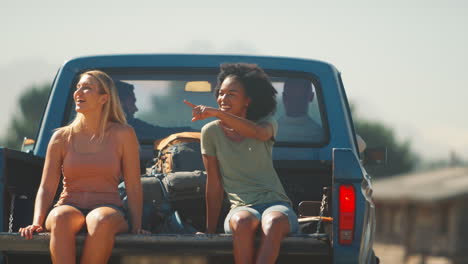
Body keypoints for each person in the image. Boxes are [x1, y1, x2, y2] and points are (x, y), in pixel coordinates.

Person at [19, 70, 149, 264]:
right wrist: (37, 222)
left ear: (104, 98)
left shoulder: (124, 134)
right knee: (61, 218)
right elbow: (47, 186)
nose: (78, 93)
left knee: (101, 221)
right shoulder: (60, 137)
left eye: (87, 88)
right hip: (68, 205)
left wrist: (137, 226)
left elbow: (133, 184)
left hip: (109, 207)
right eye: (78, 87)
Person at [184, 63, 298, 264]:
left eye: (231, 94)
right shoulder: (210, 132)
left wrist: (218, 113)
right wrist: (210, 231)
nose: (222, 99)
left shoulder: (267, 123)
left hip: (276, 204)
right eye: (221, 93)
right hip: (241, 207)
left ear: (247, 101)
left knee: (273, 222)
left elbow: (259, 134)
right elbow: (214, 184)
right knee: (242, 221)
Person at [115, 80, 192, 139]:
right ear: (120, 103)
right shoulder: (131, 128)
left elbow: (158, 131)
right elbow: (159, 132)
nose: (135, 109)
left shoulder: (132, 125)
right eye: (132, 103)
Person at [276, 78, 325, 142]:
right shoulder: (319, 134)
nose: (295, 102)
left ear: (283, 97)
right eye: (293, 97)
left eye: (299, 98)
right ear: (311, 97)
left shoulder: (270, 132)